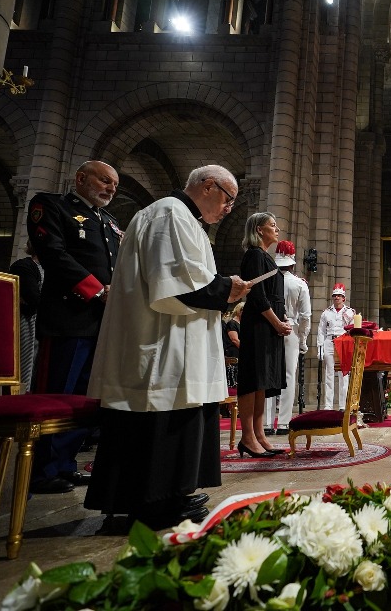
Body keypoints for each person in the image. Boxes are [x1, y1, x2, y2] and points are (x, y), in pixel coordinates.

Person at [83, 165, 252, 530]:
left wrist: (222, 288)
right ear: (208, 186)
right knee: (160, 413)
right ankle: (153, 502)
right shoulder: (170, 214)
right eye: (228, 199)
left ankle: (172, 493)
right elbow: (177, 283)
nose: (228, 208)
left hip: (174, 336)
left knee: (176, 412)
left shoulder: (182, 219)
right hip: (160, 339)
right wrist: (227, 289)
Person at [26, 160, 121, 494]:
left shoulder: (108, 221)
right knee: (57, 394)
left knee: (85, 398)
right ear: (81, 178)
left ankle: (64, 464)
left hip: (101, 323)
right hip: (68, 318)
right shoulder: (51, 205)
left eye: (114, 184)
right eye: (105, 180)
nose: (111, 188)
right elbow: (52, 252)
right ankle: (41, 471)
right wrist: (96, 290)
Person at [236, 212, 292, 457]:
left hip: (268, 326)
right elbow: (257, 297)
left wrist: (282, 320)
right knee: (252, 381)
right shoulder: (254, 256)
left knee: (262, 382)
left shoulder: (265, 257)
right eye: (272, 225)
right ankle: (247, 437)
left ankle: (259, 435)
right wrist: (277, 322)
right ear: (259, 230)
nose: (277, 229)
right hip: (259, 325)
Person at [265, 241, 311, 433]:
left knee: (268, 375)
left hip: (269, 327)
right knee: (289, 375)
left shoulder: (267, 280)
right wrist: (302, 340)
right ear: (293, 262)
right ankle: (283, 423)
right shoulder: (299, 284)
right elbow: (306, 316)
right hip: (290, 329)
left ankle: (266, 423)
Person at [8, 240, 43, 391]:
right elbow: (34, 299)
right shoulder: (24, 266)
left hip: (46, 323)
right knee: (26, 365)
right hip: (28, 322)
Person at [316, 283, 355, 410]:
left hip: (343, 343)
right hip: (329, 342)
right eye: (335, 296)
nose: (337, 298)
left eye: (339, 296)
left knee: (343, 375)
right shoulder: (326, 313)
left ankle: (342, 405)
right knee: (329, 374)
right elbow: (321, 331)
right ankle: (328, 405)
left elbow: (353, 330)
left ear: (344, 298)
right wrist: (320, 348)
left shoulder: (349, 312)